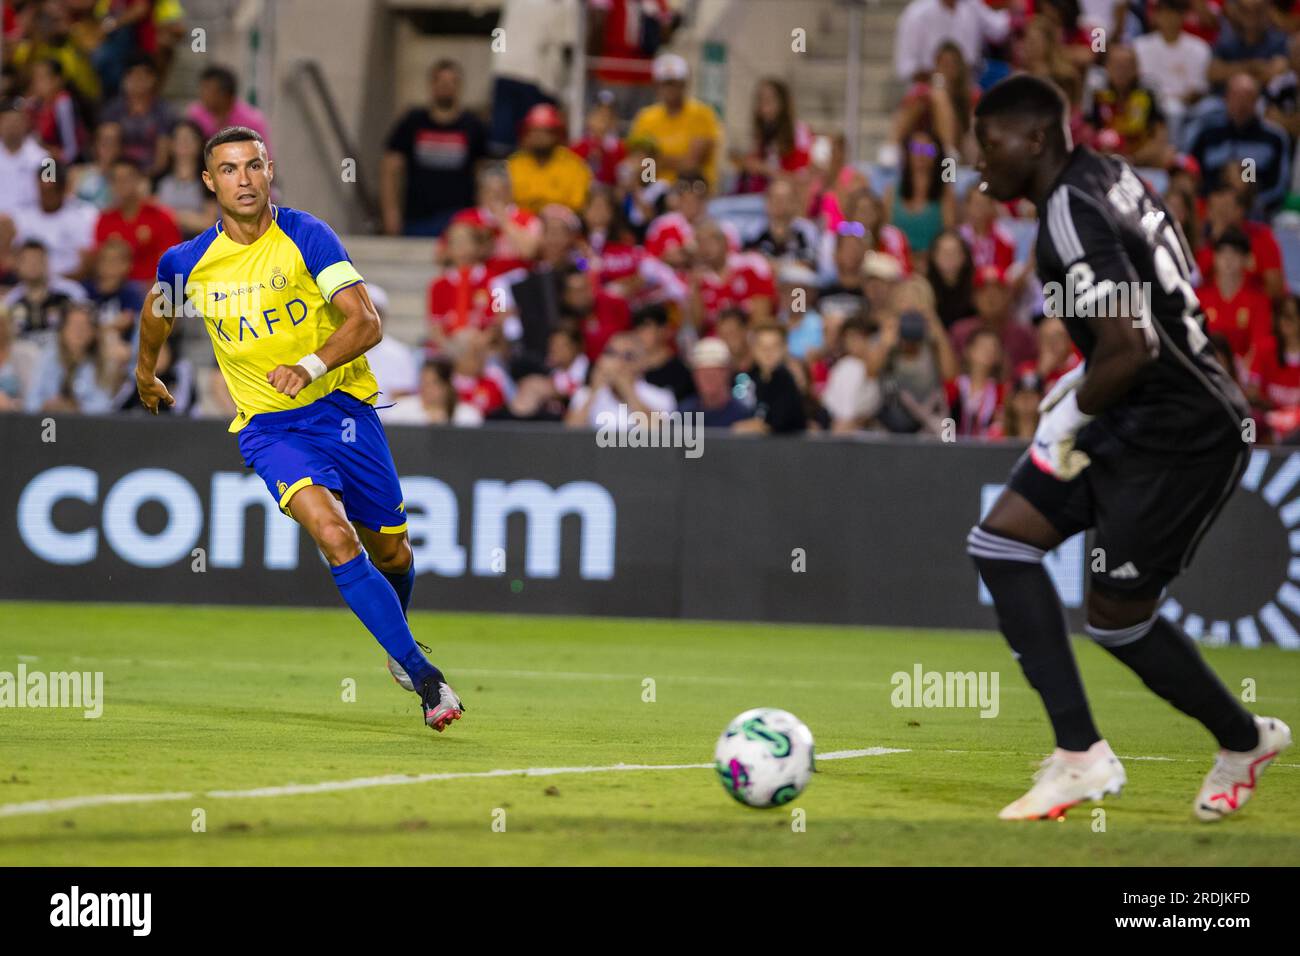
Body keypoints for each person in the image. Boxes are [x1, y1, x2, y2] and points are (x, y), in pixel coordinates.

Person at [969, 74, 1289, 822]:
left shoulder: (1068, 213)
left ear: (1036, 139)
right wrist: (1084, 377)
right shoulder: (1108, 177)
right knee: (1003, 544)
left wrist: (1068, 414)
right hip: (1135, 405)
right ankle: (1081, 757)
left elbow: (1136, 344)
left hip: (1182, 433)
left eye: (989, 144)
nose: (980, 163)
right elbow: (1149, 313)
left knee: (1118, 617)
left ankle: (1244, 740)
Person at [133, 126, 464, 734]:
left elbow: (366, 322)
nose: (244, 180)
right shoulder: (186, 263)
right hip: (268, 428)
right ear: (210, 182)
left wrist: (309, 365)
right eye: (229, 170)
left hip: (344, 414)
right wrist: (145, 371)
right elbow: (157, 313)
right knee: (336, 537)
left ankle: (398, 635)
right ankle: (425, 678)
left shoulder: (307, 235)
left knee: (392, 548)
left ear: (269, 169)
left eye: (254, 166)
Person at [381, 59, 488, 237]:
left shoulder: (473, 126)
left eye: (451, 81)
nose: (446, 86)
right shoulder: (412, 122)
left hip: (460, 220)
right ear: (431, 84)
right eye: (441, 81)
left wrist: (482, 216)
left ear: (459, 86)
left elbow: (482, 174)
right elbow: (390, 169)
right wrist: (390, 213)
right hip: (416, 218)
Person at [627, 53, 722, 188]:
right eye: (665, 83)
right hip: (656, 192)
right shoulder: (646, 117)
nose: (669, 89)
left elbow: (691, 165)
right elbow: (644, 170)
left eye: (674, 83)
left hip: (692, 189)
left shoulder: (702, 114)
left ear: (684, 84)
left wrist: (656, 161)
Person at [95, 158, 181, 284]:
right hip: (116, 292)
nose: (121, 184)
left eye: (126, 179)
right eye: (116, 180)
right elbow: (102, 266)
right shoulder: (105, 220)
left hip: (155, 291)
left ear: (139, 180)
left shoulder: (161, 216)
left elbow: (172, 263)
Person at [506, 103, 591, 213]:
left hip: (560, 225)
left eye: (545, 131)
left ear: (557, 134)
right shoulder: (513, 164)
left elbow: (578, 207)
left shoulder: (575, 166)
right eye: (534, 131)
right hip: (519, 225)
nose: (539, 136)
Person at [677, 336, 751, 427]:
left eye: (715, 372)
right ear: (695, 375)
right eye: (703, 373)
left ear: (727, 373)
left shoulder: (742, 416)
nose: (709, 378)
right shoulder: (683, 414)